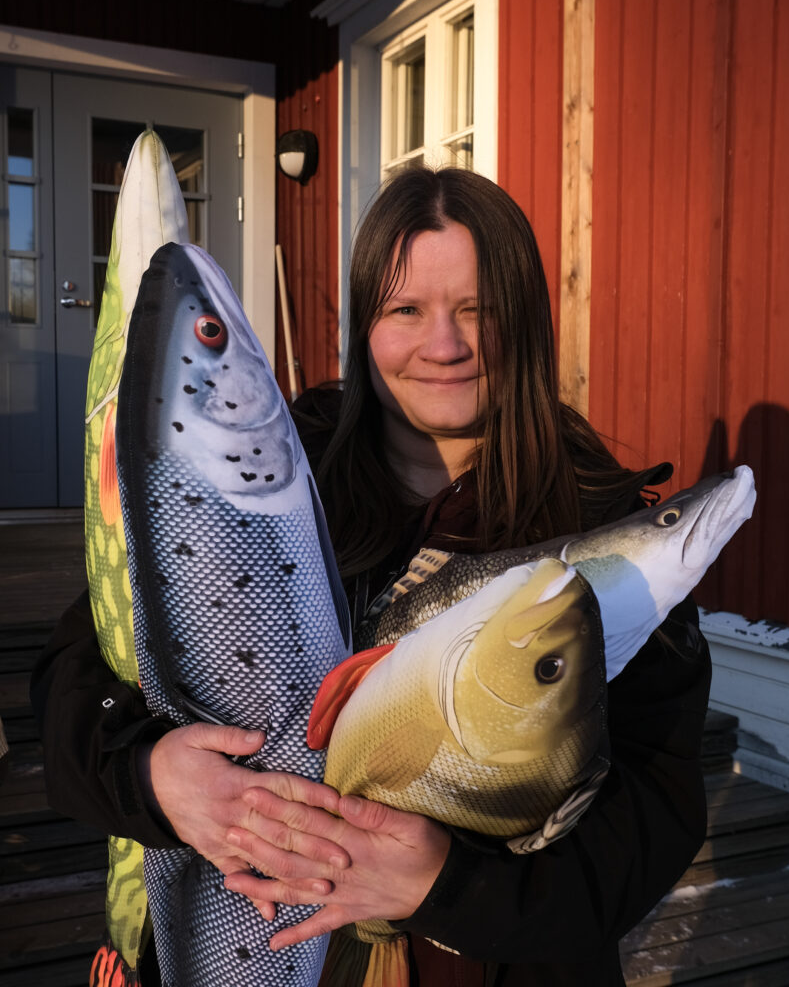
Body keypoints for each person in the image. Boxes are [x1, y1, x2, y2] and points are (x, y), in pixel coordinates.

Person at [31, 167, 711, 987]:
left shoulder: (606, 534)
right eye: (405, 311)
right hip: (229, 942)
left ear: (528, 320)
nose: (445, 345)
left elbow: (652, 821)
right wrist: (150, 775)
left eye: (479, 310)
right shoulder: (269, 469)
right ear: (365, 325)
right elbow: (76, 674)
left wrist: (445, 884)